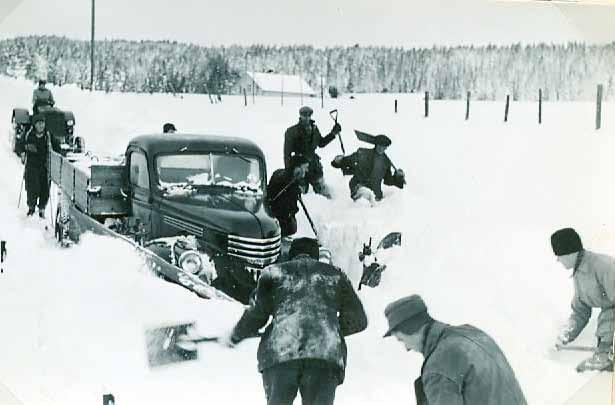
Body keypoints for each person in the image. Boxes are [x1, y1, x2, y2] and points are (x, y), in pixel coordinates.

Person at [221, 237, 368, 405]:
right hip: (324, 356)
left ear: (290, 255)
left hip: (281, 353)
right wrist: (329, 327)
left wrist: (235, 335)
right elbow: (358, 319)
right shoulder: (335, 275)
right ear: (316, 256)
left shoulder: (274, 273)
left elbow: (256, 314)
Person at [384, 294, 527, 405]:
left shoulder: (437, 366)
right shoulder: (471, 331)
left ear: (411, 329)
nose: (407, 348)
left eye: (401, 339)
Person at [551, 227, 615, 372]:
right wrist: (567, 333)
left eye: (558, 255)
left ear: (568, 253)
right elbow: (581, 310)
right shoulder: (579, 273)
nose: (558, 260)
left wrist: (607, 344)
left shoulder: (605, 266)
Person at [283, 106, 341, 197]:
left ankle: (329, 206)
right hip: (300, 165)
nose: (306, 118)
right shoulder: (292, 131)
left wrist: (333, 133)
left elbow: (321, 143)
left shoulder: (314, 129)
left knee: (323, 191)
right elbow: (287, 154)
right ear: (300, 116)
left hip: (314, 165)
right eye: (304, 115)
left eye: (309, 115)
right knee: (300, 193)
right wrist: (289, 171)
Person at [331, 134, 405, 205]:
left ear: (386, 147)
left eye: (384, 146)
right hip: (359, 189)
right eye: (380, 145)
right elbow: (346, 161)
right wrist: (338, 161)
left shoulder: (386, 162)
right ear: (376, 145)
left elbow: (388, 181)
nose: (381, 148)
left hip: (376, 197)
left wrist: (398, 178)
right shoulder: (362, 153)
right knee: (366, 196)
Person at [17, 114, 59, 218]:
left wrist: (57, 157)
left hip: (45, 166)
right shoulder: (28, 135)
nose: (41, 126)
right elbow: (19, 145)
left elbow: (57, 148)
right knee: (32, 188)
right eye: (39, 123)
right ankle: (31, 208)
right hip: (32, 166)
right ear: (34, 125)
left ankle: (42, 209)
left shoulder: (48, 136)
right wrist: (23, 151)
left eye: (43, 123)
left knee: (44, 188)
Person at [266, 153, 310, 237]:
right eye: (305, 167)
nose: (307, 170)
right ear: (297, 169)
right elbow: (289, 210)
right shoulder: (290, 186)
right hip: (279, 222)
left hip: (271, 215)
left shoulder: (279, 173)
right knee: (292, 227)